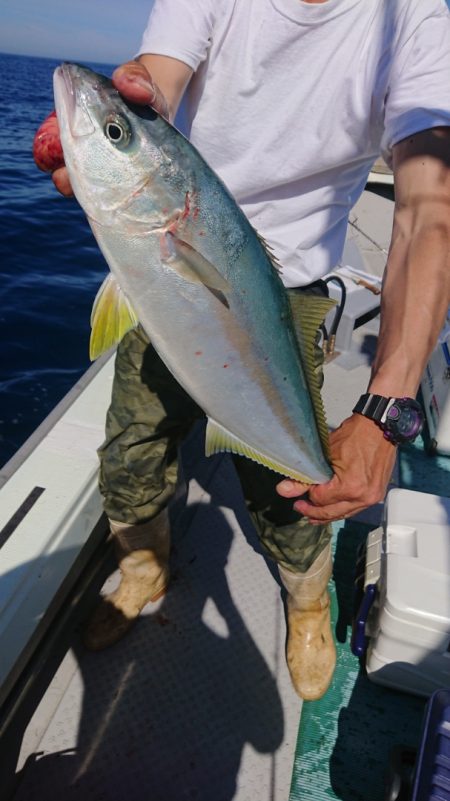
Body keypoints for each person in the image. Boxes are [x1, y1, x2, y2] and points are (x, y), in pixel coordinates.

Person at [34, 0, 450, 701]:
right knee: (130, 446)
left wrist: (385, 410)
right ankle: (143, 569)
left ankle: (308, 599)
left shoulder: (416, 15)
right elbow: (153, 86)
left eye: (105, 131)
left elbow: (430, 207)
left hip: (285, 298)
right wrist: (131, 96)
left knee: (291, 490)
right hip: (163, 277)